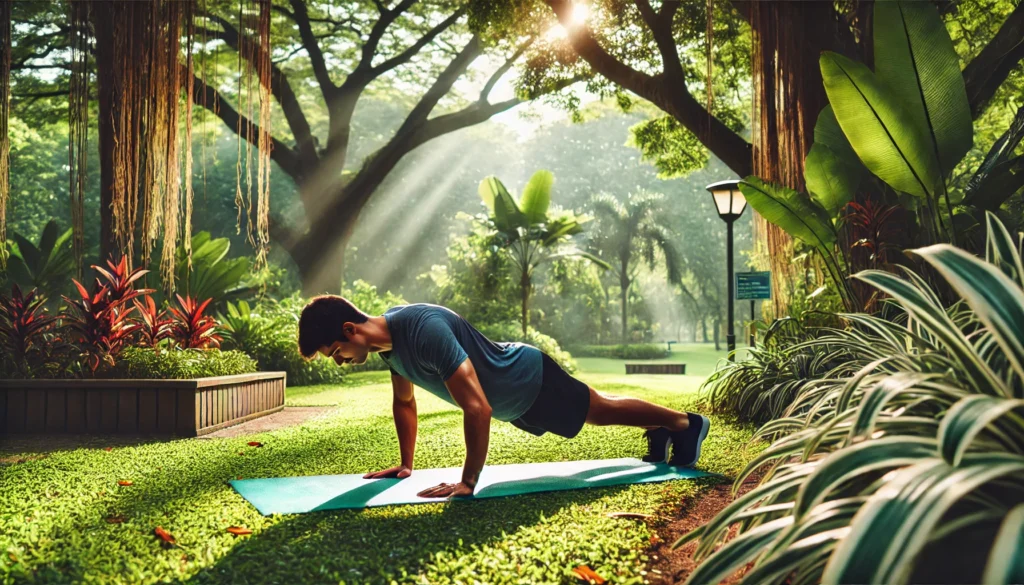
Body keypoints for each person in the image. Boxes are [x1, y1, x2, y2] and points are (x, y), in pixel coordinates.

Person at [297, 297, 710, 499]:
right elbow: (404, 402)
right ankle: (662, 427)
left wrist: (467, 483)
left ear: (350, 330)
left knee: (597, 411)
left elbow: (478, 408)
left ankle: (684, 424)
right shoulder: (390, 350)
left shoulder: (422, 329)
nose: (340, 362)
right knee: (597, 410)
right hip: (518, 398)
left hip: (527, 377)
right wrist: (406, 465)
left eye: (336, 353)